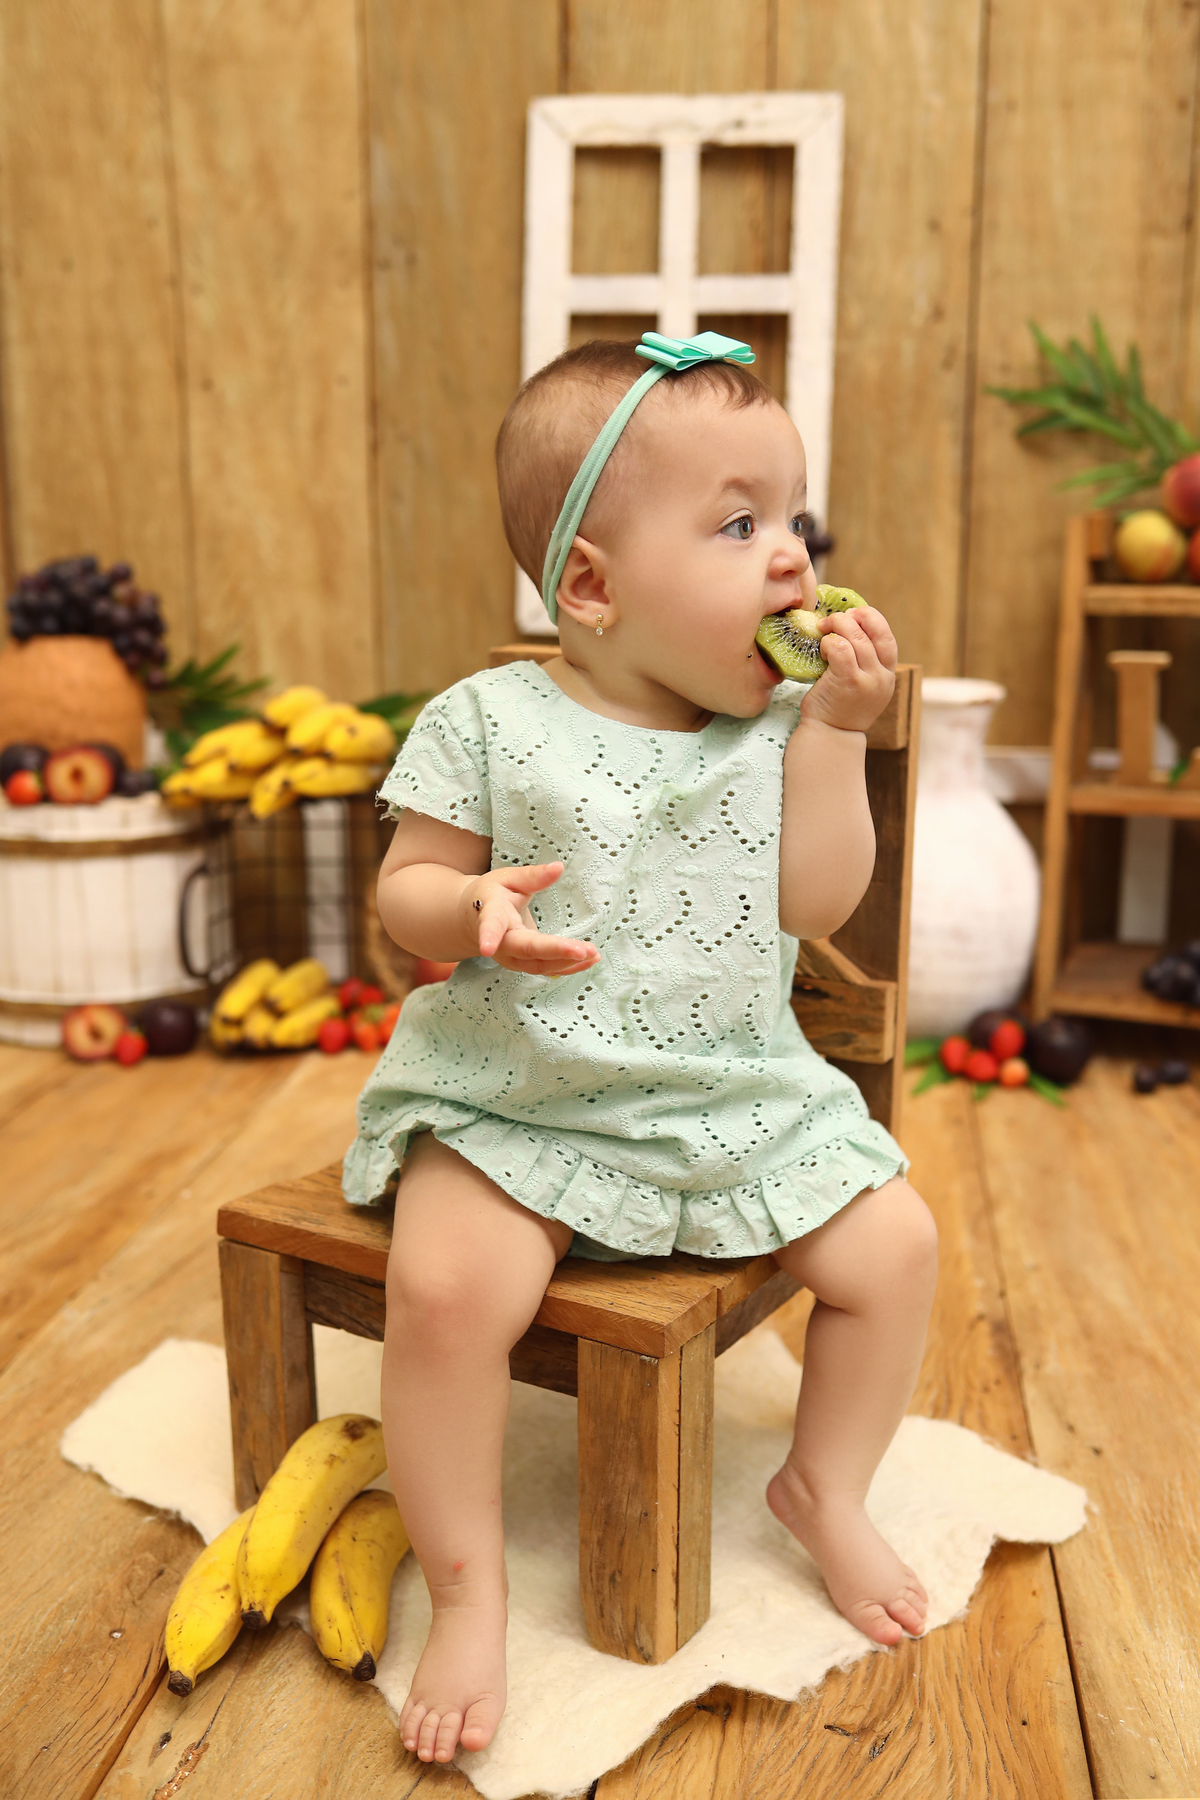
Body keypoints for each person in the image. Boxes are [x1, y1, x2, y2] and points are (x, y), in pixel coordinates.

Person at [343, 331, 939, 1766]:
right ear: (593, 589)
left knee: (898, 1249)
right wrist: (468, 911)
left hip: (736, 1095)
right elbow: (403, 890)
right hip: (520, 1096)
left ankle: (825, 1487)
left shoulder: (783, 728)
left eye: (794, 517)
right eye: (739, 525)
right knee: (443, 1293)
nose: (791, 558)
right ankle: (470, 1586)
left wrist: (840, 735)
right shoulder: (489, 721)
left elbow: (815, 904)